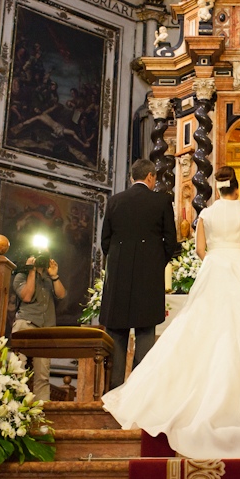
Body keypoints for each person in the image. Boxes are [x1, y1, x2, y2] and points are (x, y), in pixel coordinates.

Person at [101, 166, 240, 458]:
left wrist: (217, 260)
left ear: (218, 188)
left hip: (214, 268)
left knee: (201, 328)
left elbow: (199, 250)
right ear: (236, 186)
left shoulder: (205, 214)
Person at [100, 159, 178, 388]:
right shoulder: (162, 201)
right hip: (148, 280)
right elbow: (170, 242)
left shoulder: (114, 201)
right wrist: (155, 264)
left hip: (118, 279)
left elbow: (105, 241)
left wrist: (118, 264)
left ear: (132, 177)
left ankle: (113, 394)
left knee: (116, 337)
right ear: (151, 176)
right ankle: (139, 393)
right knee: (145, 336)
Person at [12, 252, 66, 401]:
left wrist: (54, 276)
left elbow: (61, 294)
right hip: (26, 323)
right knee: (17, 369)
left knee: (43, 375)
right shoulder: (20, 276)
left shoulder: (49, 280)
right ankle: (14, 406)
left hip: (45, 329)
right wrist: (31, 270)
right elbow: (27, 296)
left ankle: (42, 411)